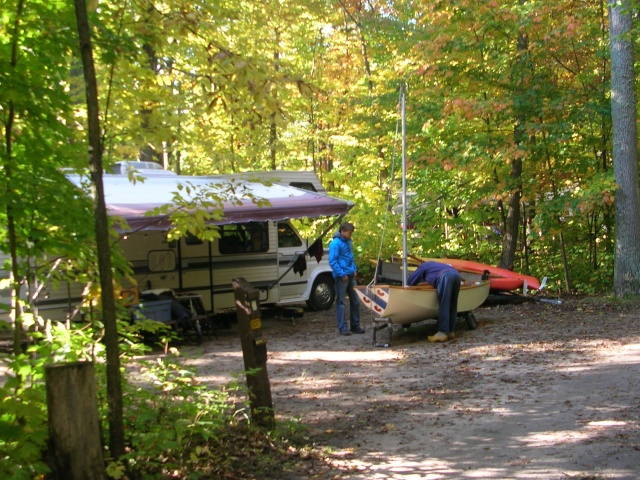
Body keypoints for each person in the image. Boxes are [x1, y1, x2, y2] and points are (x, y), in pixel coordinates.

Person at [407, 261, 461, 343]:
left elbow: (411, 281)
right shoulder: (437, 265)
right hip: (456, 275)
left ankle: (442, 333)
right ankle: (450, 331)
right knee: (452, 304)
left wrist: (409, 284)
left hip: (445, 276)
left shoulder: (423, 266)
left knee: (444, 304)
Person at [328, 222, 363, 336]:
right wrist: (342, 274)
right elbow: (333, 261)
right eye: (349, 232)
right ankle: (342, 327)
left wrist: (354, 269)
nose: (350, 235)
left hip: (350, 274)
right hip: (341, 276)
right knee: (341, 302)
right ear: (343, 231)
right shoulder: (335, 244)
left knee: (356, 301)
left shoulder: (348, 242)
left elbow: (350, 257)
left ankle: (355, 325)